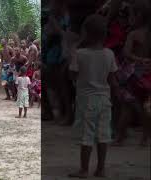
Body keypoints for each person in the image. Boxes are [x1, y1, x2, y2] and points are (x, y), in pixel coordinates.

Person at [68, 14, 118, 178]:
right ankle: (101, 168)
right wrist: (117, 98)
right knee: (103, 134)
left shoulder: (80, 53)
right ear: (104, 35)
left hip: (85, 99)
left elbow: (72, 75)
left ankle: (84, 169)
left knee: (86, 134)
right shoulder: (109, 54)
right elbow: (112, 80)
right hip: (105, 99)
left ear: (85, 34)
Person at [114, 0, 151, 146]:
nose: (129, 18)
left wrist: (139, 59)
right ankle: (144, 139)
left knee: (126, 107)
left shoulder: (134, 34)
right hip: (148, 74)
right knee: (147, 107)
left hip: (134, 74)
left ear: (138, 16)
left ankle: (120, 138)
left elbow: (126, 52)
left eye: (130, 15)